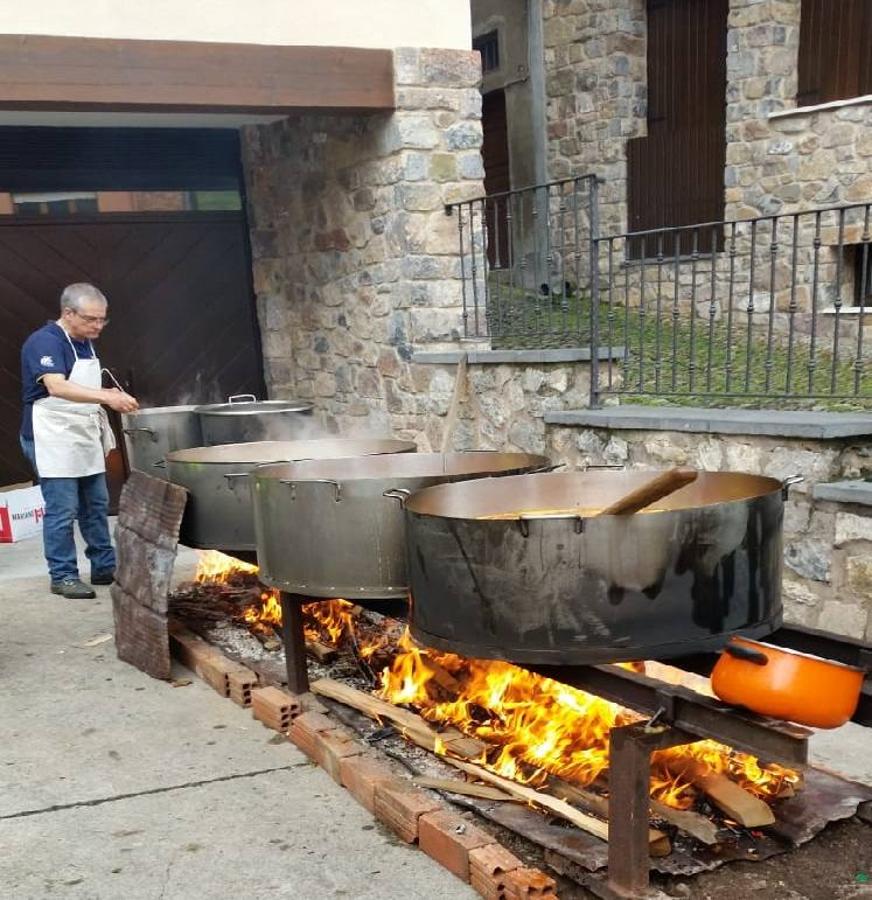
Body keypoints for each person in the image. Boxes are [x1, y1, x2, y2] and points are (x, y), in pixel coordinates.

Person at [19, 283, 139, 599]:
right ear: (68, 313)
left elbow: (81, 386)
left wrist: (108, 394)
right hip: (50, 437)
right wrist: (104, 397)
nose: (98, 326)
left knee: (96, 505)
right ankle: (63, 575)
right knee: (63, 509)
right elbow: (57, 387)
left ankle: (104, 566)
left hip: (81, 435)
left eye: (102, 320)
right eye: (90, 319)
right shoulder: (43, 342)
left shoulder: (85, 342)